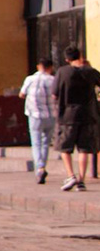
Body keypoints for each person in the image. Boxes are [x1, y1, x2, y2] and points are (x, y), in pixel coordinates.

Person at [52, 47, 100, 192]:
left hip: (67, 116)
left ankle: (70, 175)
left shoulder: (62, 72)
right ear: (80, 56)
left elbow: (55, 94)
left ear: (67, 59)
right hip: (87, 115)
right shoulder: (90, 72)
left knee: (65, 148)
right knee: (84, 149)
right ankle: (81, 180)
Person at [20, 57, 57, 184]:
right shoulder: (53, 80)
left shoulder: (30, 79)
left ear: (38, 66)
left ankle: (40, 168)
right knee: (46, 143)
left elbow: (22, 94)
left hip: (34, 115)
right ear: (50, 67)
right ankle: (42, 166)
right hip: (50, 115)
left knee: (36, 143)